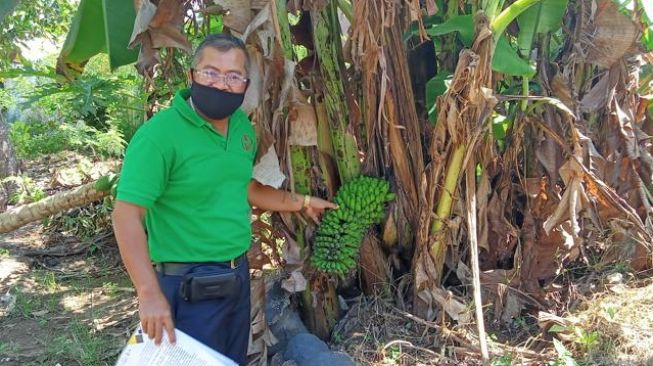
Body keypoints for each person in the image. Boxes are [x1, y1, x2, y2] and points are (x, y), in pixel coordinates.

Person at [111, 33, 336, 365]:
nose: (222, 83)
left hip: (235, 276)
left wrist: (301, 202)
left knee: (229, 361)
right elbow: (126, 215)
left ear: (245, 83)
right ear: (192, 75)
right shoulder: (159, 137)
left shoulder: (242, 127)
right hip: (187, 284)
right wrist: (148, 294)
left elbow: (243, 188)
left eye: (233, 76)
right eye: (211, 72)